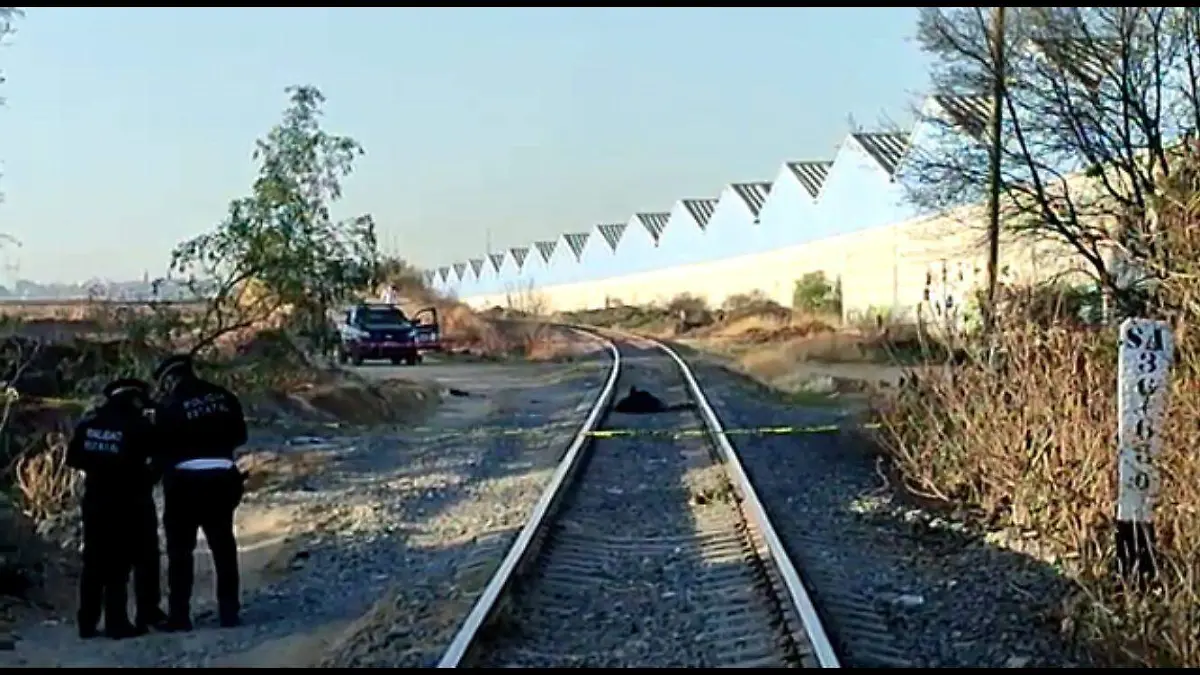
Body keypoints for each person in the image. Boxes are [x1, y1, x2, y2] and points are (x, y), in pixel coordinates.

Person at [152, 354, 249, 631]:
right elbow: (240, 435)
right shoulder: (223, 396)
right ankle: (229, 613)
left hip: (185, 482)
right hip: (222, 477)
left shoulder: (169, 406)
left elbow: (161, 448)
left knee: (180, 551)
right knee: (223, 546)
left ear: (170, 379)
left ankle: (179, 616)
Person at [65, 378, 159, 640]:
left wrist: (100, 467)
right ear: (135, 399)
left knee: (94, 561)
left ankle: (87, 622)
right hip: (130, 501)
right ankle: (118, 623)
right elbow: (156, 460)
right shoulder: (139, 425)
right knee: (123, 562)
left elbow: (73, 459)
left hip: (95, 500)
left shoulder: (89, 423)